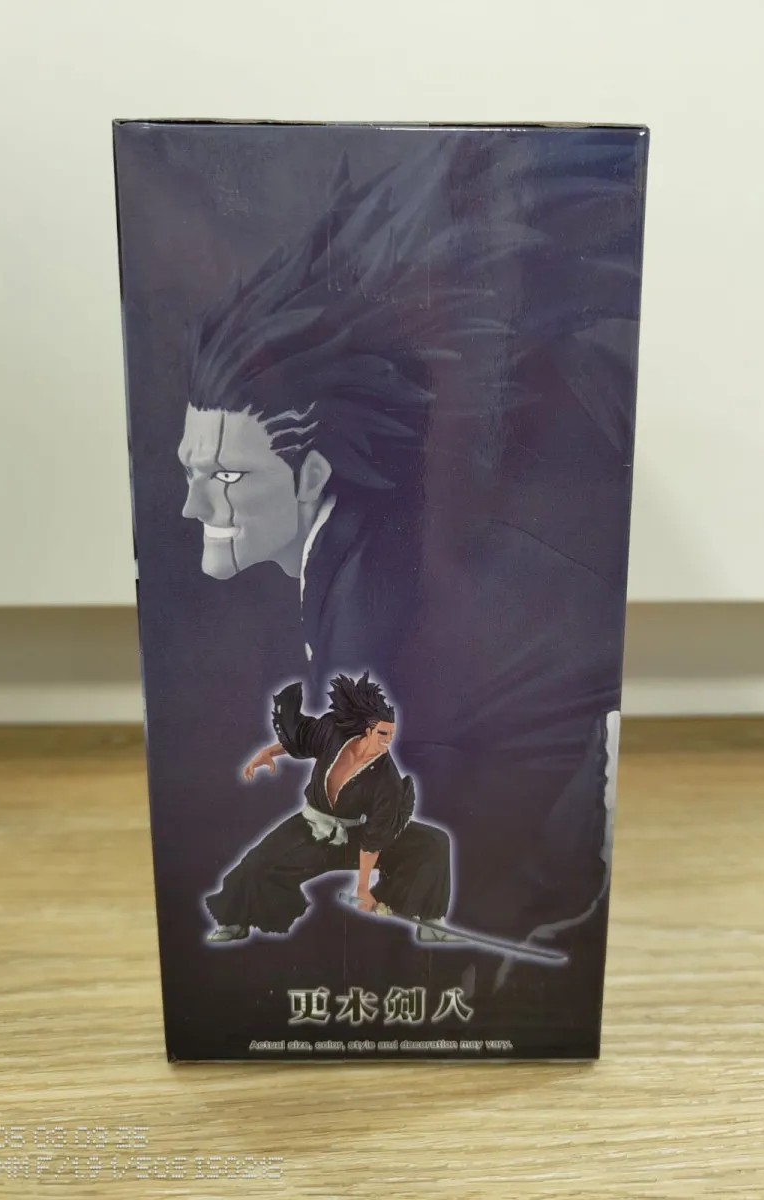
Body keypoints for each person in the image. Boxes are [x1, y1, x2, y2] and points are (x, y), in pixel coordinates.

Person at [182, 130, 645, 947]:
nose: (193, 505)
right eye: (193, 468)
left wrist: (371, 869)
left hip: (538, 825)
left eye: (224, 475)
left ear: (312, 475)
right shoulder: (350, 559)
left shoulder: (368, 605)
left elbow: (391, 781)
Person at [205, 672, 452, 943]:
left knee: (433, 843)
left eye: (391, 735)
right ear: (368, 730)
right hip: (312, 829)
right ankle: (234, 923)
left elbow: (374, 839)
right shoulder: (334, 733)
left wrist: (362, 888)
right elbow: (304, 740)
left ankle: (431, 923)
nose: (387, 741)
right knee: (256, 864)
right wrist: (269, 752)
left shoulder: (387, 779)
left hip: (357, 838)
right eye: (383, 733)